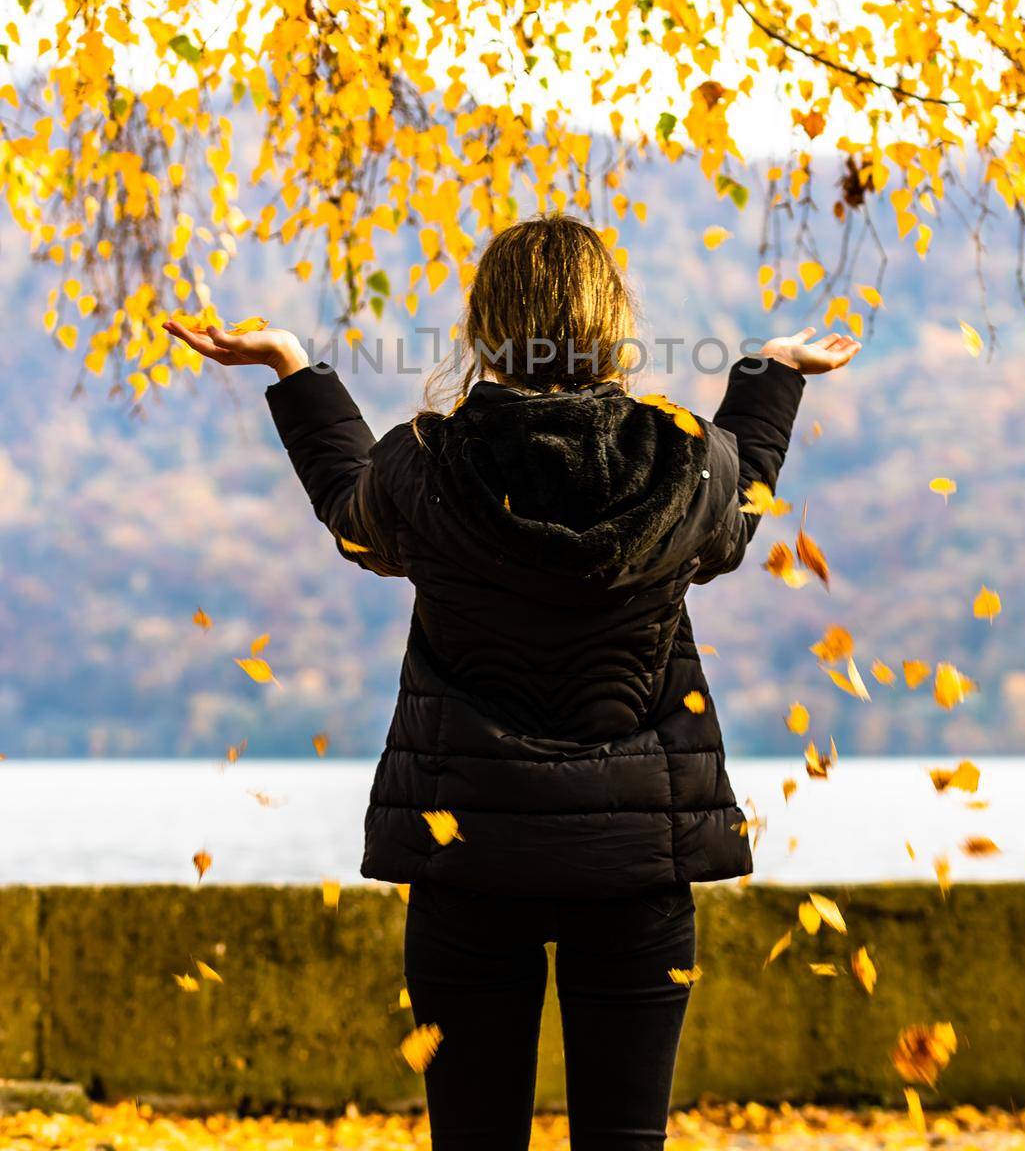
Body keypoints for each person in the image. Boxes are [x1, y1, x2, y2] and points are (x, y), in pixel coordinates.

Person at [164, 214, 860, 1151]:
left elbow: (349, 509)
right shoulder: (683, 460)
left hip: (468, 860)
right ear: (612, 323)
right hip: (637, 864)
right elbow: (740, 500)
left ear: (486, 327)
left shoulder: (424, 465)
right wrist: (771, 373)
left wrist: (295, 370)